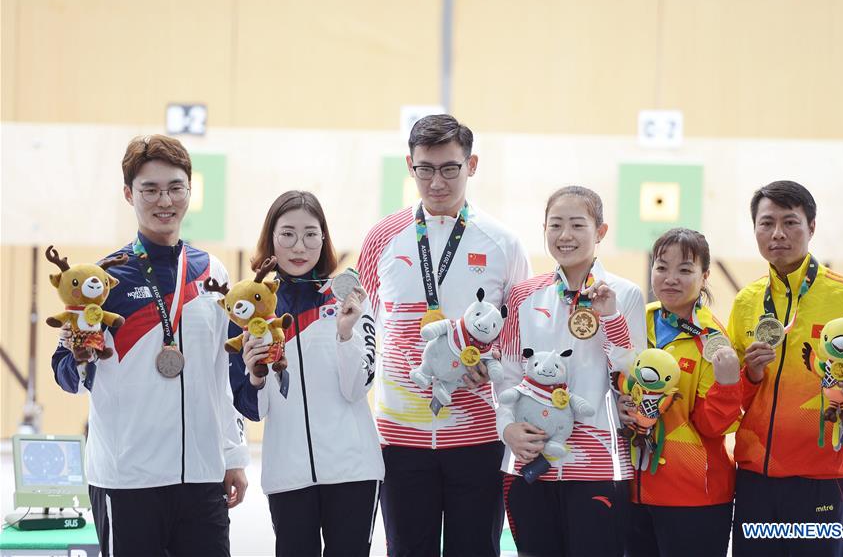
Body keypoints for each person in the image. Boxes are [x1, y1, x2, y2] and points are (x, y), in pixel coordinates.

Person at [50, 134, 248, 556]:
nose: (165, 200)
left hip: (201, 475)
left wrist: (233, 456)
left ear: (189, 192)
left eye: (176, 188)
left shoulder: (211, 273)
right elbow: (65, 374)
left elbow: (222, 375)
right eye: (150, 189)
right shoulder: (102, 279)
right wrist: (77, 355)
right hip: (127, 479)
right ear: (129, 194)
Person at [357, 114, 531, 556]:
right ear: (410, 167)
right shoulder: (382, 238)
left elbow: (518, 339)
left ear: (471, 165)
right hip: (399, 436)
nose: (437, 181)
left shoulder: (502, 243)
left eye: (449, 167)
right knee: (407, 549)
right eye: (425, 168)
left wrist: (490, 373)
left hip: (477, 436)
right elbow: (371, 325)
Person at [728, 180, 843, 557]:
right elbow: (732, 392)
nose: (777, 234)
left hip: (824, 477)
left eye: (790, 222)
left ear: (812, 228)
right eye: (766, 222)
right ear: (754, 228)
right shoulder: (746, 303)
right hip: (757, 477)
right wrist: (750, 375)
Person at [228, 190, 383, 557]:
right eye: (288, 234)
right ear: (271, 239)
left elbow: (357, 387)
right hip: (288, 475)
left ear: (324, 238)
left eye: (311, 234)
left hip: (353, 471)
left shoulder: (347, 297)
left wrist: (345, 334)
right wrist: (256, 374)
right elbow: (252, 408)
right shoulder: (251, 308)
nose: (300, 245)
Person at [496, 185, 645, 557]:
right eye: (555, 225)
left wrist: (609, 317)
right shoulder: (523, 296)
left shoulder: (625, 295)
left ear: (601, 232)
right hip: (528, 462)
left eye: (577, 225)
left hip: (596, 464)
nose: (565, 236)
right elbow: (509, 374)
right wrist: (507, 429)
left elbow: (633, 373)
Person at [620, 228, 741, 557]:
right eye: (662, 267)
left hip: (693, 496)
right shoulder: (635, 321)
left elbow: (712, 426)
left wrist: (729, 384)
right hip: (631, 491)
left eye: (685, 270)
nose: (670, 278)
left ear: (704, 277)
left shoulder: (712, 338)